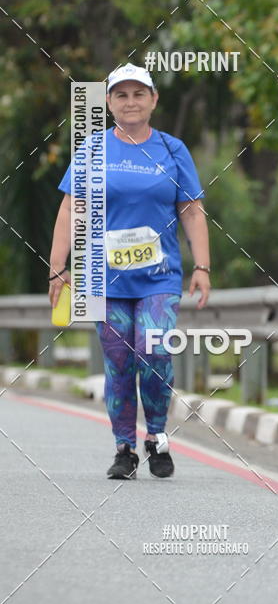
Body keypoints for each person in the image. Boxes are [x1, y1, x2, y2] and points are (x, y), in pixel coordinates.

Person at [48, 64, 211, 480]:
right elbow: (71, 207)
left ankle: (156, 437)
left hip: (160, 277)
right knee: (119, 360)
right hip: (104, 279)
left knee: (155, 353)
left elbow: (191, 210)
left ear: (154, 100)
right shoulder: (92, 150)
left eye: (139, 94)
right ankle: (124, 447)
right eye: (121, 95)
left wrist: (202, 266)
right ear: (108, 103)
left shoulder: (173, 150)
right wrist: (58, 268)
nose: (131, 102)